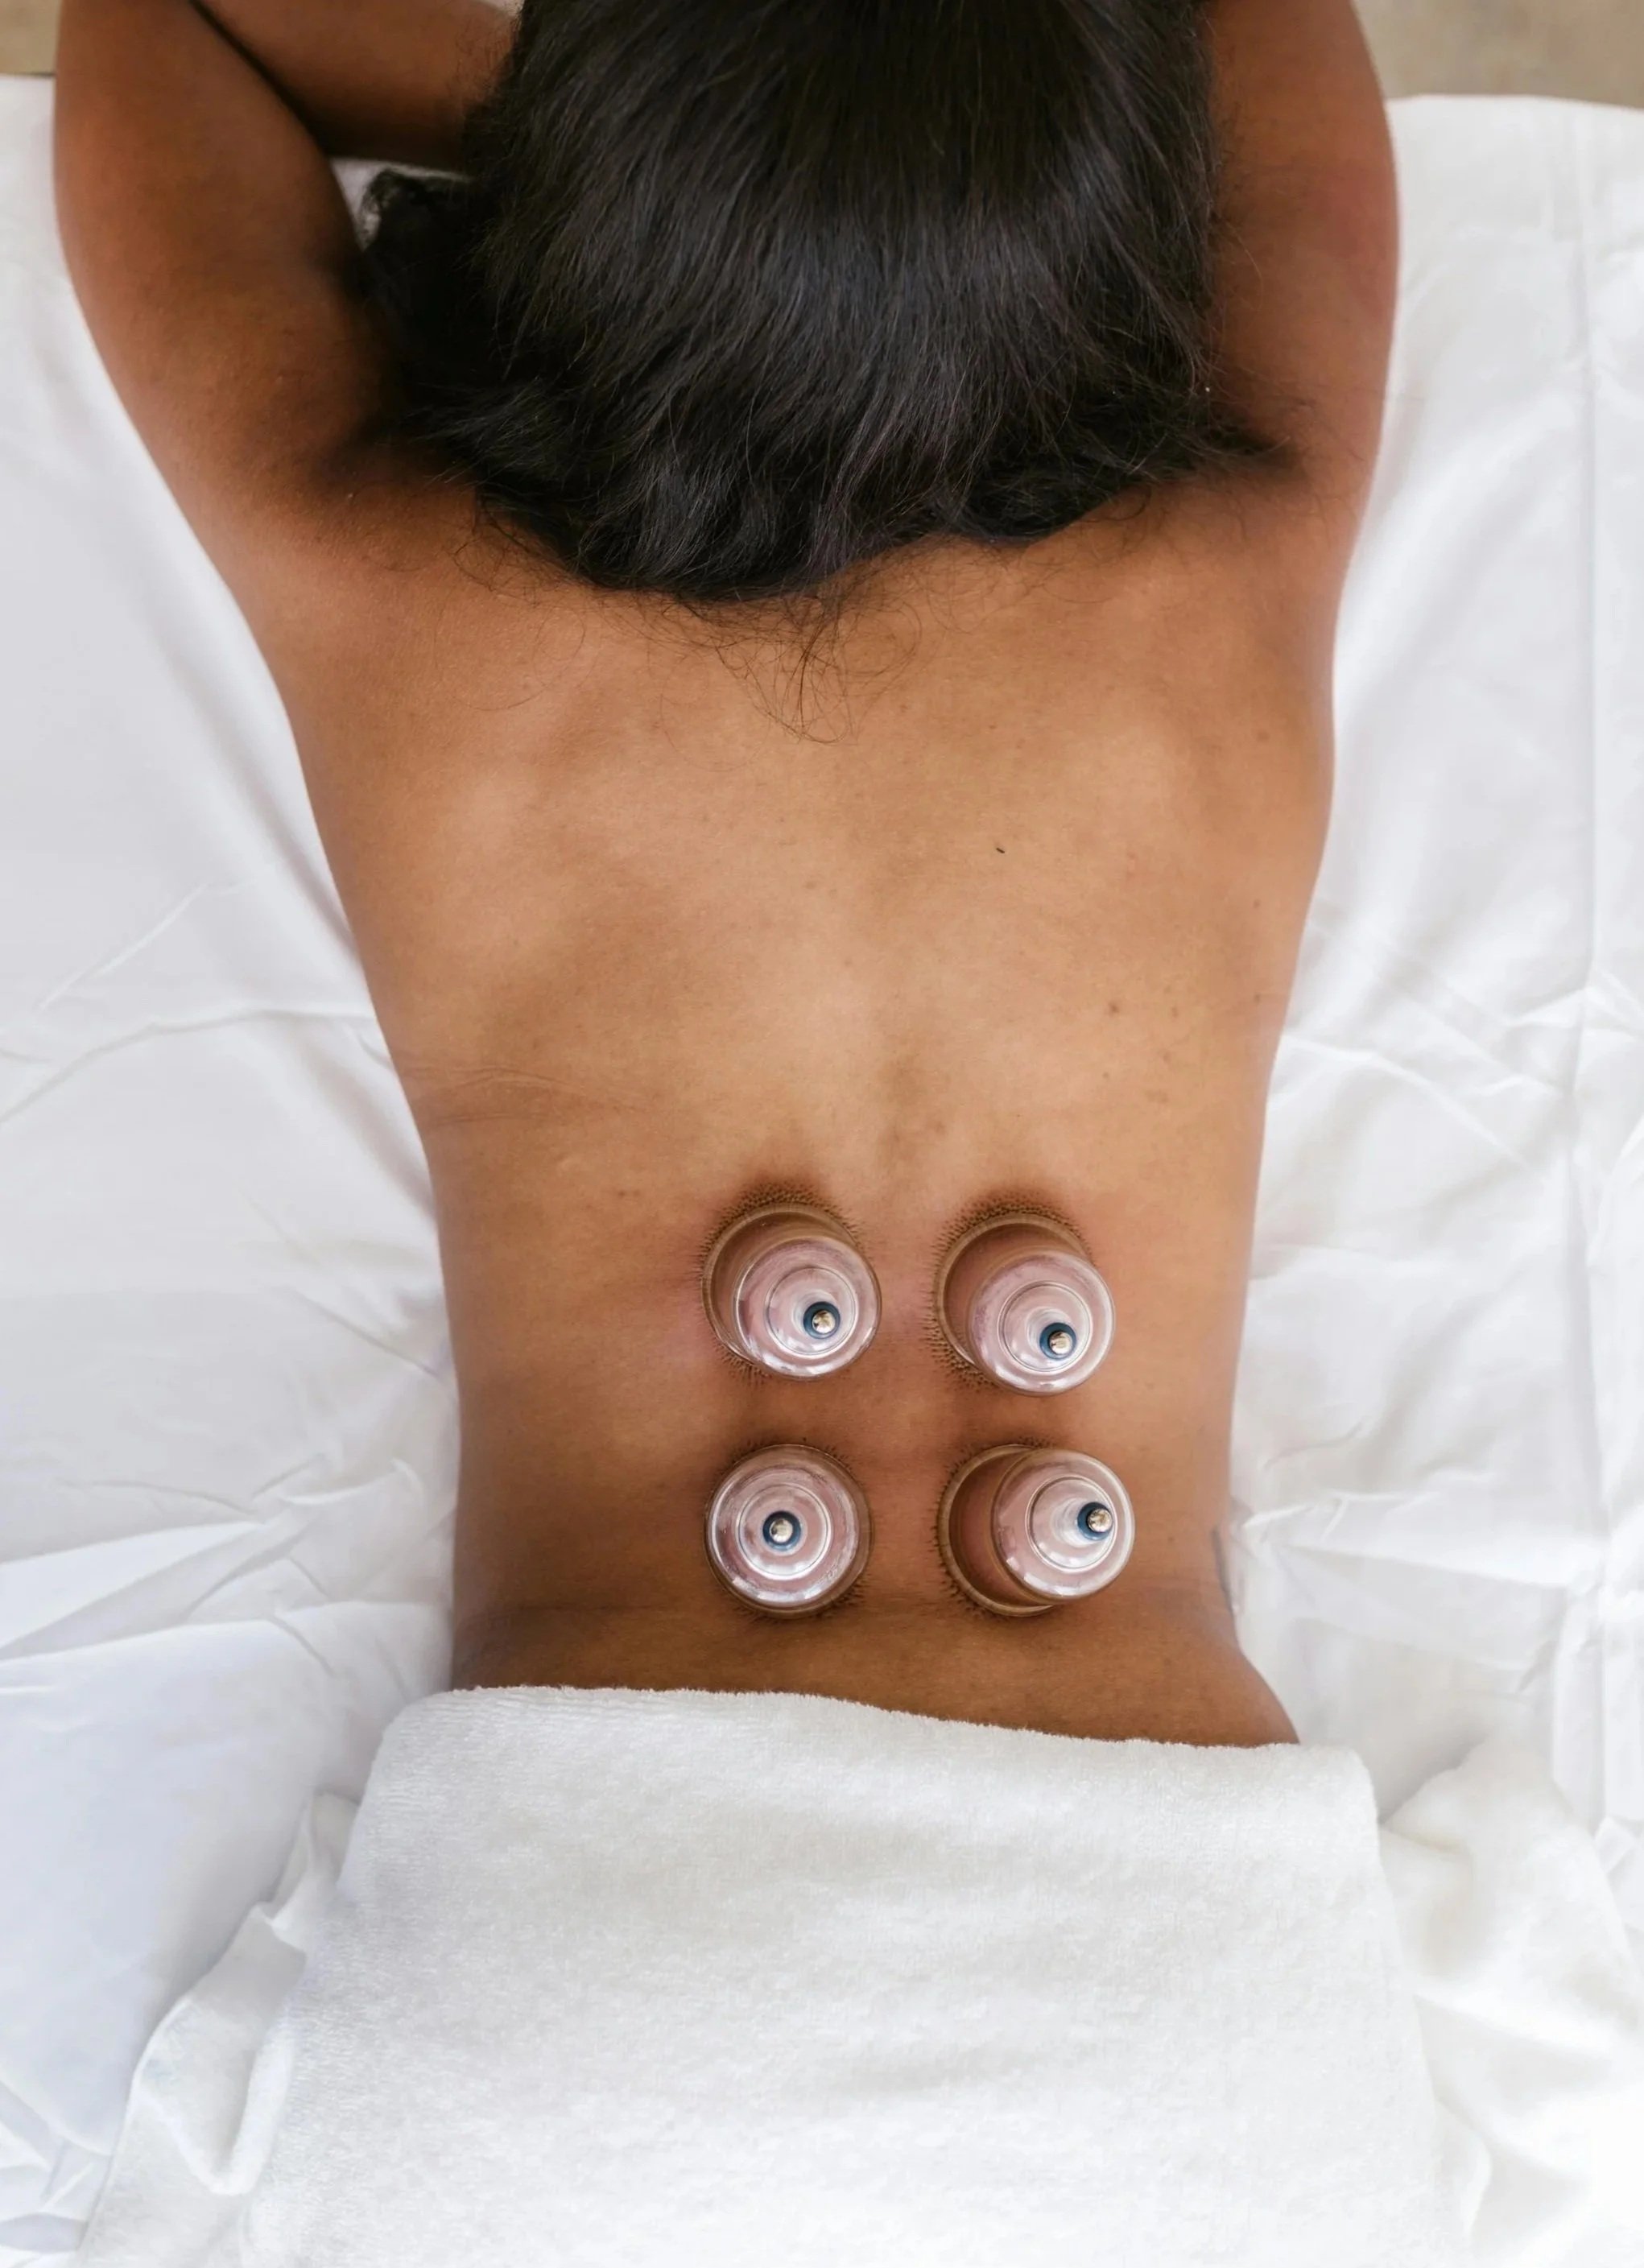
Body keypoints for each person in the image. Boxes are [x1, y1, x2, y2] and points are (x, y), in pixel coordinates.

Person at [52, 0, 1394, 1751]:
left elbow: (162, 26)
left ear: (585, 227)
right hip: (1166, 1818)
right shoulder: (1237, 557)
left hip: (611, 1817)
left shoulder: (405, 601)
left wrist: (668, 104)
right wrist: (872, 106)